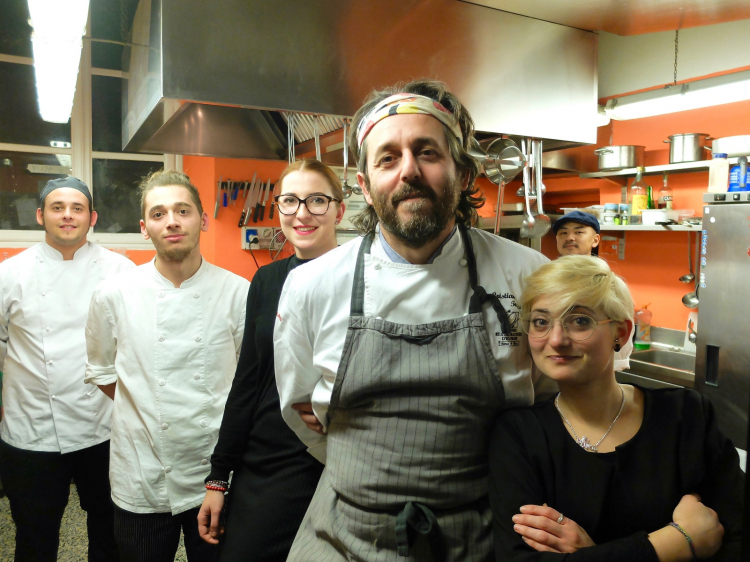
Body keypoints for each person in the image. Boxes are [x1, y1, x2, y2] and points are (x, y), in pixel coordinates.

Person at [273, 79, 548, 561]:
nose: (408, 172)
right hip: (343, 534)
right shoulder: (312, 286)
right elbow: (301, 411)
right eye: (387, 158)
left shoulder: (529, 277)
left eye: (427, 153)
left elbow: (551, 403)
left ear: (463, 174)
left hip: (482, 537)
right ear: (363, 185)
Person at [489, 255, 744, 561]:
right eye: (541, 322)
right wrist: (676, 543)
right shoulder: (519, 435)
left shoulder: (686, 415)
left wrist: (594, 555)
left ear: (621, 333)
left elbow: (738, 536)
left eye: (579, 320)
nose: (556, 340)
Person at [84, 170, 249, 562]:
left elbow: (248, 383)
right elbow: (103, 371)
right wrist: (146, 405)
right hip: (141, 474)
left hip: (214, 473)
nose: (171, 220)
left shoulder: (238, 292)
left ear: (203, 220)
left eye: (182, 210)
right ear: (144, 228)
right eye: (158, 214)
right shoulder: (113, 295)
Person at [197, 159, 344, 561]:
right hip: (263, 456)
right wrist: (218, 476)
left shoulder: (360, 277)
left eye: (317, 200)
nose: (302, 213)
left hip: (330, 455)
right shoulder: (267, 279)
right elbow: (248, 379)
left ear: (339, 210)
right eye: (290, 201)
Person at [0, 177, 133, 561]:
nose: (68, 215)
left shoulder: (121, 270)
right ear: (41, 215)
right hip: (32, 429)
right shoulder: (11, 273)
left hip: (104, 426)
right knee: (34, 534)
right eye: (57, 208)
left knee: (109, 530)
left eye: (77, 208)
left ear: (92, 217)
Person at [552, 210, 632, 370]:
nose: (570, 237)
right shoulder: (547, 281)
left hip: (595, 371)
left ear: (595, 240)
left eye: (579, 232)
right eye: (563, 232)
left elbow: (621, 333)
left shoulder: (610, 284)